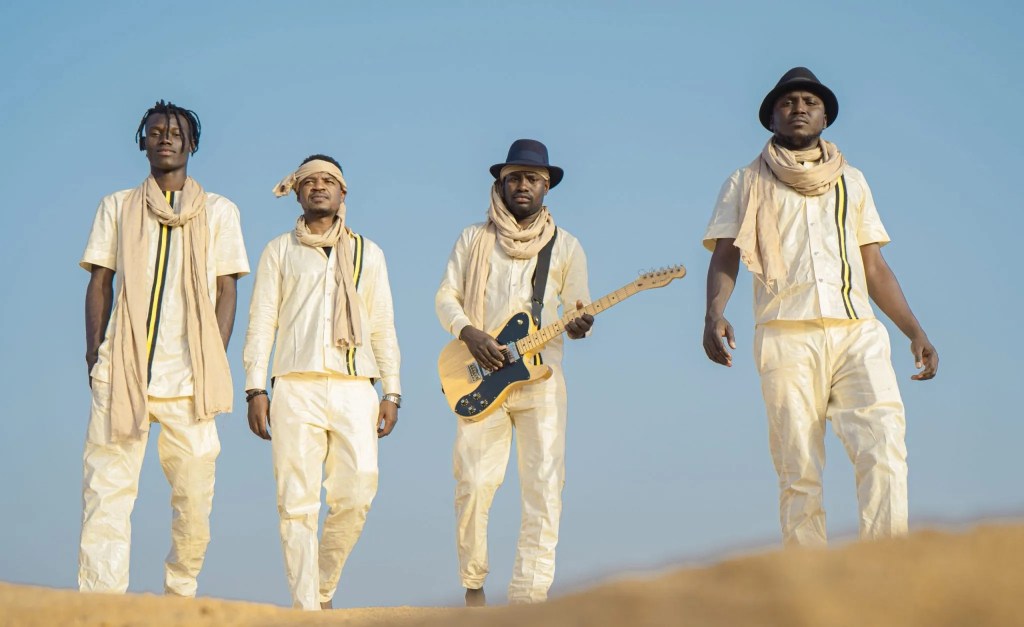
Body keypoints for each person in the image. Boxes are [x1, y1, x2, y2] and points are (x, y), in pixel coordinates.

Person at [701, 67, 939, 547]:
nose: (799, 109)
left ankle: (885, 568)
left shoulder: (852, 180)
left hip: (857, 331)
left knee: (884, 446)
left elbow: (873, 266)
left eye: (810, 102)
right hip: (785, 333)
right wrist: (714, 313)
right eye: (788, 103)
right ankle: (810, 585)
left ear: (826, 116)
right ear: (771, 117)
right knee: (798, 465)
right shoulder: (744, 181)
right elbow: (727, 253)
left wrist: (914, 330)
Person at [79, 100, 249, 595]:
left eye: (176, 132)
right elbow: (100, 282)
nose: (166, 137)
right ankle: (100, 603)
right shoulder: (115, 206)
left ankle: (180, 592)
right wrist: (96, 354)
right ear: (142, 142)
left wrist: (211, 361)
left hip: (190, 380)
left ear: (192, 143)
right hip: (121, 373)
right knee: (105, 493)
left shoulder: (220, 211)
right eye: (155, 131)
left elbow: (227, 290)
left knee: (194, 500)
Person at [435, 139, 594, 605]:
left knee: (545, 486)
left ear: (548, 188)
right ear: (499, 184)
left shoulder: (566, 246)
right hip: (480, 375)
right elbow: (446, 296)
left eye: (533, 179)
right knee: (474, 481)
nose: (523, 185)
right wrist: (469, 333)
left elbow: (577, 309)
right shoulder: (473, 239)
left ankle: (529, 599)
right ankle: (474, 585)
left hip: (541, 382)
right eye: (514, 178)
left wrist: (582, 324)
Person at [243, 154, 401, 610]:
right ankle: (307, 610)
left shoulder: (369, 253)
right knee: (296, 502)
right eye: (309, 181)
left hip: (356, 385)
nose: (318, 187)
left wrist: (391, 390)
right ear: (295, 191)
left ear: (343, 193)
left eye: (327, 181)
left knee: (359, 491)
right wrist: (256, 388)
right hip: (294, 384)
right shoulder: (278, 250)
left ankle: (323, 587)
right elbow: (262, 322)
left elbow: (382, 325)